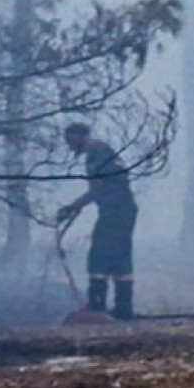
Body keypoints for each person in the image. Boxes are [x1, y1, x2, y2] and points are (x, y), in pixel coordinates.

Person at [57, 123, 138, 320]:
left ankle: (97, 307)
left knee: (99, 257)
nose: (69, 146)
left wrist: (72, 207)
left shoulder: (96, 156)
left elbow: (98, 189)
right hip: (125, 210)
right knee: (120, 256)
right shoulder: (106, 152)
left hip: (115, 212)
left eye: (70, 140)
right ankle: (123, 309)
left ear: (79, 137)